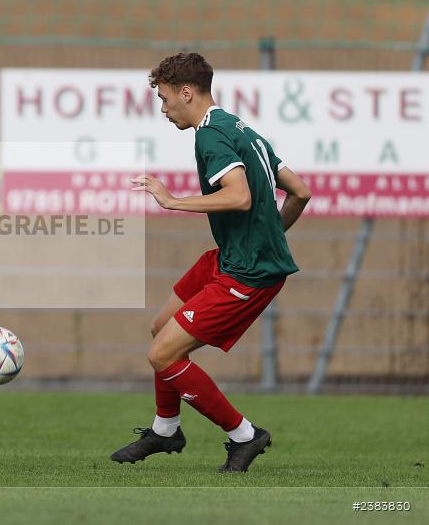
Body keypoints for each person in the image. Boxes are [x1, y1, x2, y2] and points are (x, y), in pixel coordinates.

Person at [111, 53, 311, 472]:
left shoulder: (210, 136)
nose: (164, 110)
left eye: (165, 100)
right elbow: (300, 191)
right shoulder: (240, 127)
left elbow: (238, 196)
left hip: (248, 273)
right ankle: (166, 430)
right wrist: (266, 237)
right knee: (161, 331)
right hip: (229, 258)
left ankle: (245, 435)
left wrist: (173, 201)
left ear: (187, 92)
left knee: (162, 354)